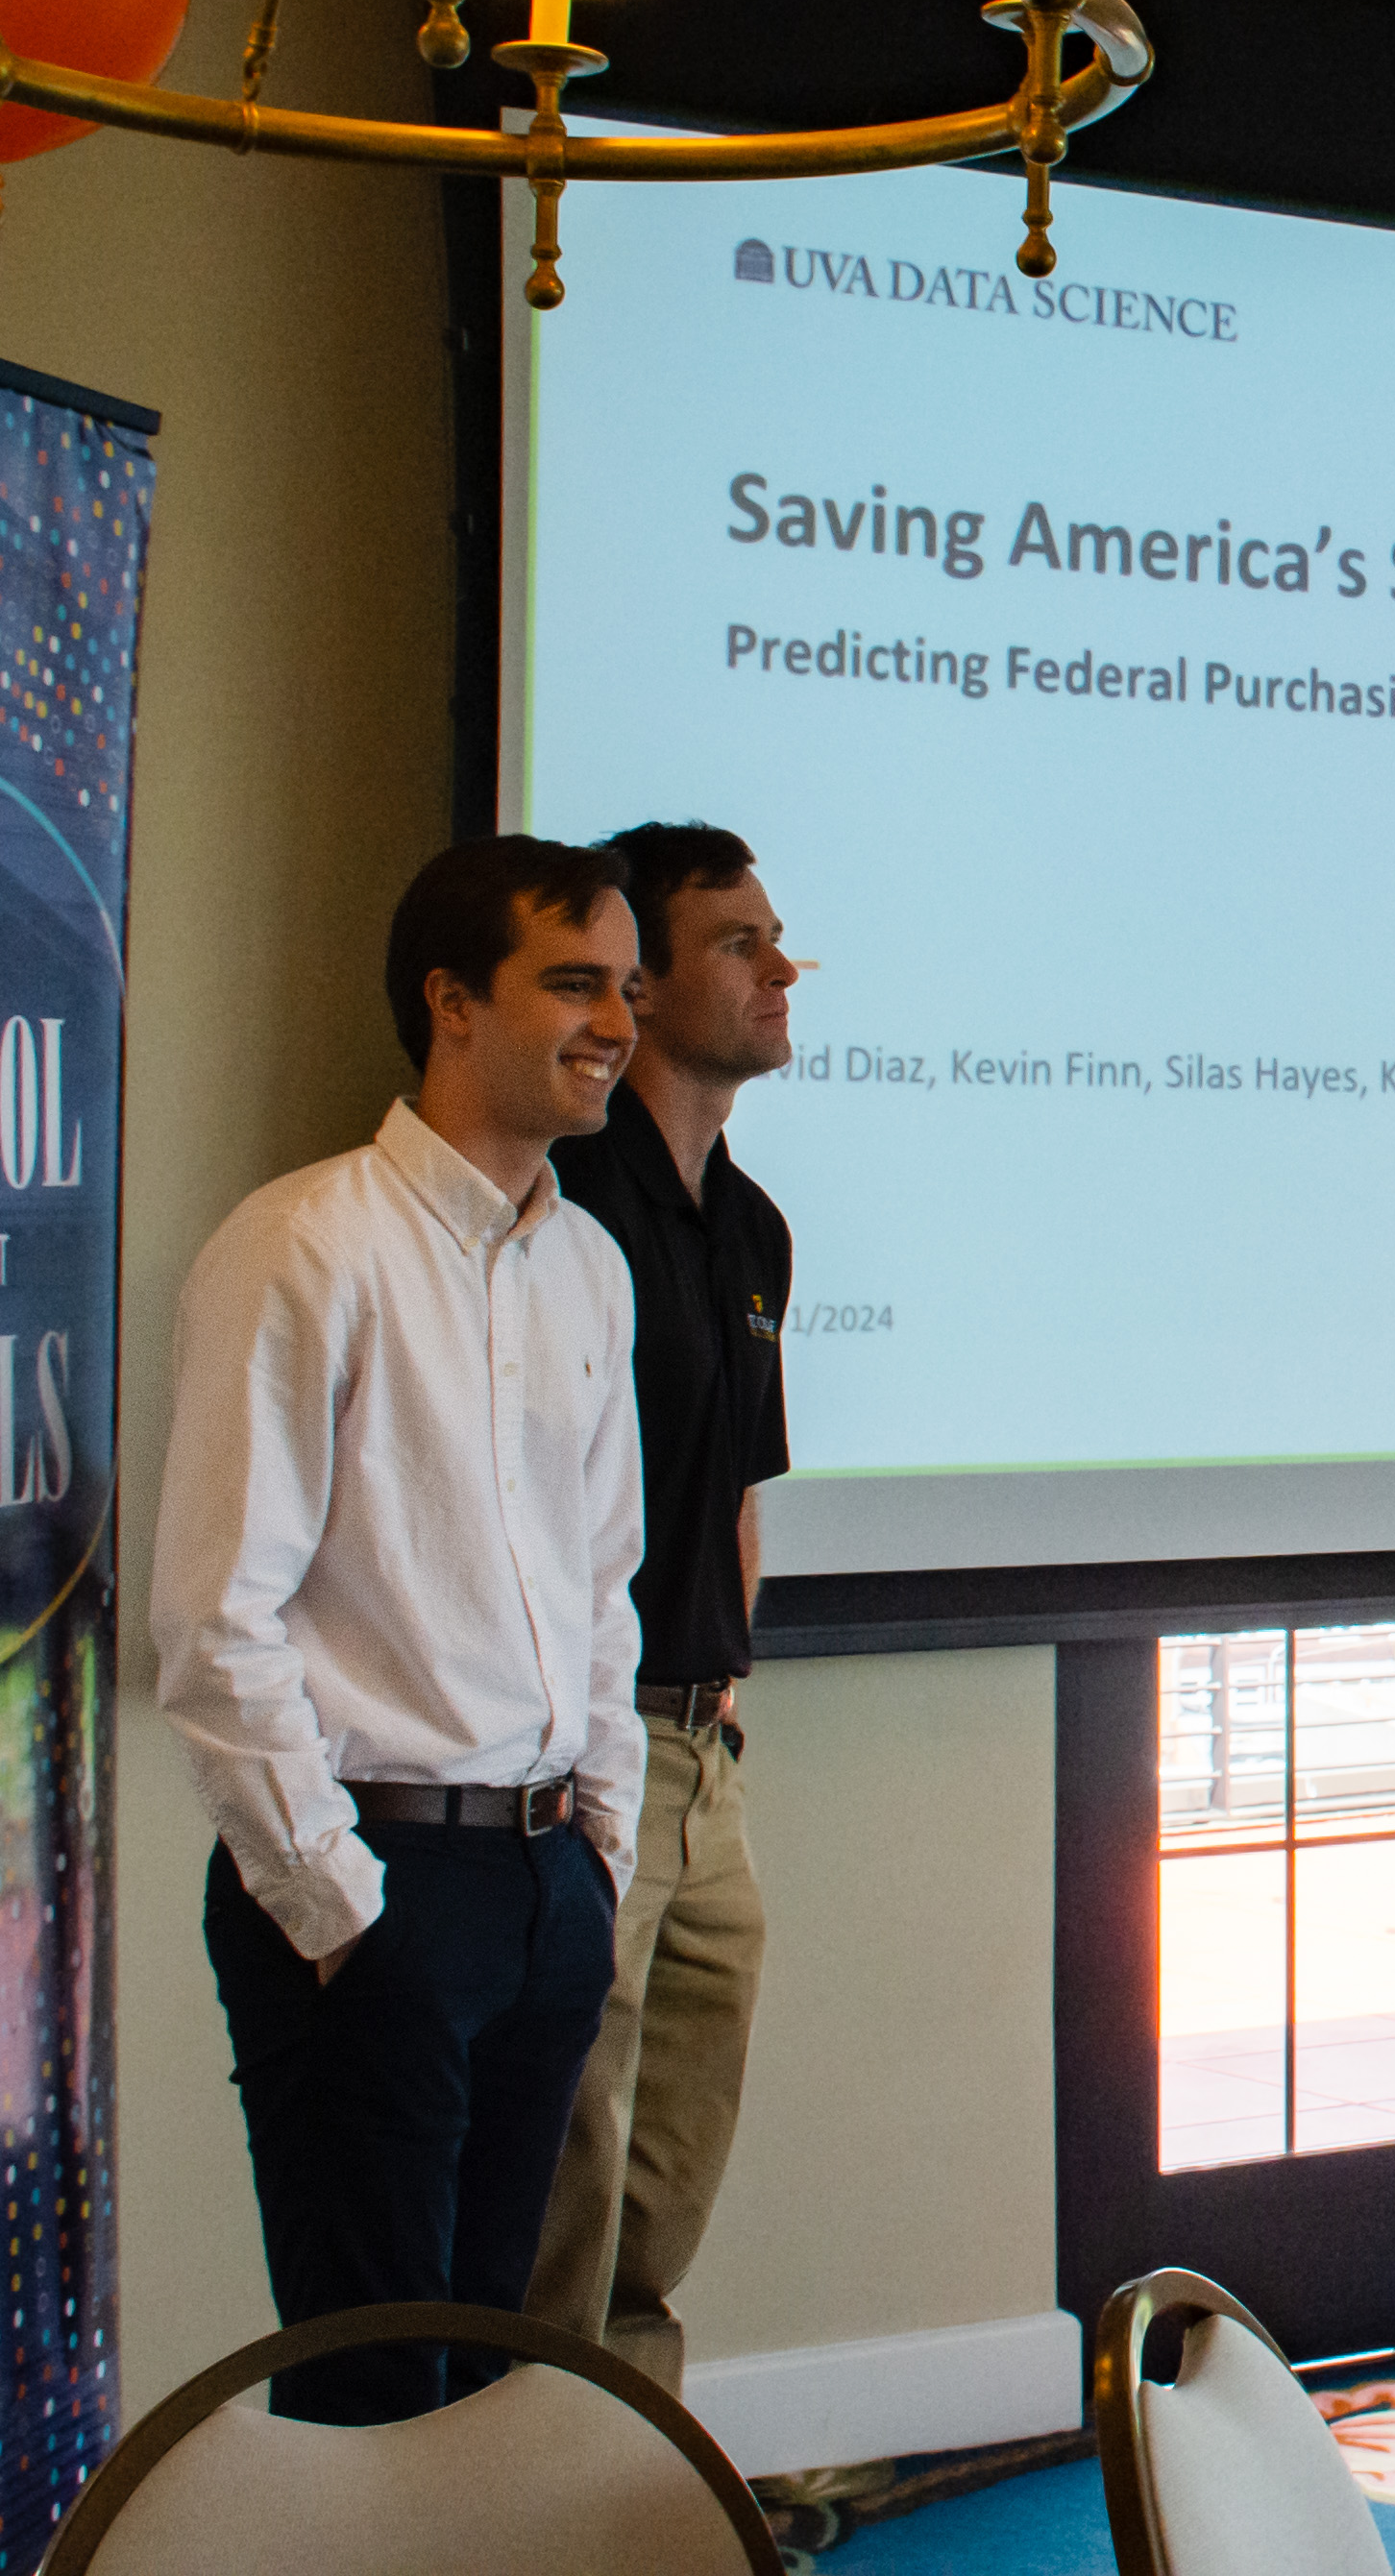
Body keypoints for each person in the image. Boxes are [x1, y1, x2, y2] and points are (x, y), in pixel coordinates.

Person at [152, 838, 648, 2424]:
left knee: (498, 2382)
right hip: (373, 1892)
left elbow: (599, 1591)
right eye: (574, 982)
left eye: (629, 987)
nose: (618, 1024)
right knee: (374, 2392)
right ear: (451, 1004)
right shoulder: (306, 1246)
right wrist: (340, 1910)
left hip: (538, 1879)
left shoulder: (589, 1266)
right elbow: (215, 1615)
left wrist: (598, 1856)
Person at [530, 822, 800, 2390]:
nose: (779, 969)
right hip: (584, 1750)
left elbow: (740, 1495)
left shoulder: (752, 1228)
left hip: (704, 1755)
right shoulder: (565, 1202)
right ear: (640, 986)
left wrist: (730, 1709)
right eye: (739, 944)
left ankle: (625, 2473)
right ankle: (532, 2495)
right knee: (560, 2174)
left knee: (665, 2168)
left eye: (777, 938)